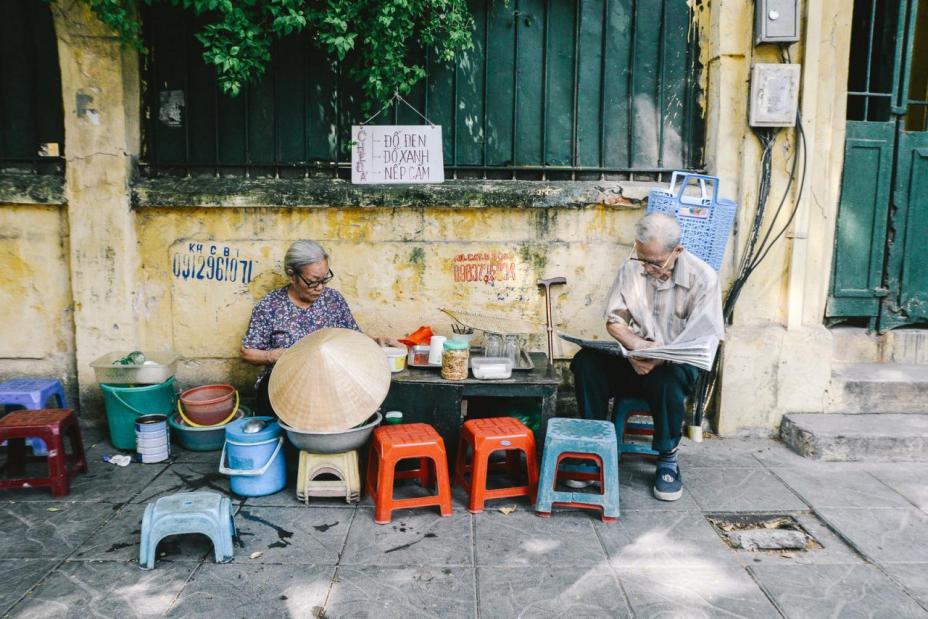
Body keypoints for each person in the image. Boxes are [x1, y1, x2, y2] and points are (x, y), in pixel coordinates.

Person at [570, 213, 724, 501]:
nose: (647, 267)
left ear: (677, 251)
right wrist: (635, 347)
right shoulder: (632, 268)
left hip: (676, 365)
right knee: (586, 362)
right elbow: (614, 320)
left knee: (667, 380)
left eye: (654, 262)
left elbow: (700, 339)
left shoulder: (703, 279)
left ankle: (667, 457)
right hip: (636, 357)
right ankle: (593, 447)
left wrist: (659, 357)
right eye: (642, 258)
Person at [241, 240, 402, 416]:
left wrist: (375, 341)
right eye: (312, 282)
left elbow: (353, 339)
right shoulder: (270, 306)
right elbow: (247, 353)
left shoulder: (333, 300)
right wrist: (273, 355)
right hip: (287, 386)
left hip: (332, 384)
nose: (320, 288)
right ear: (291, 275)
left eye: (325, 279)